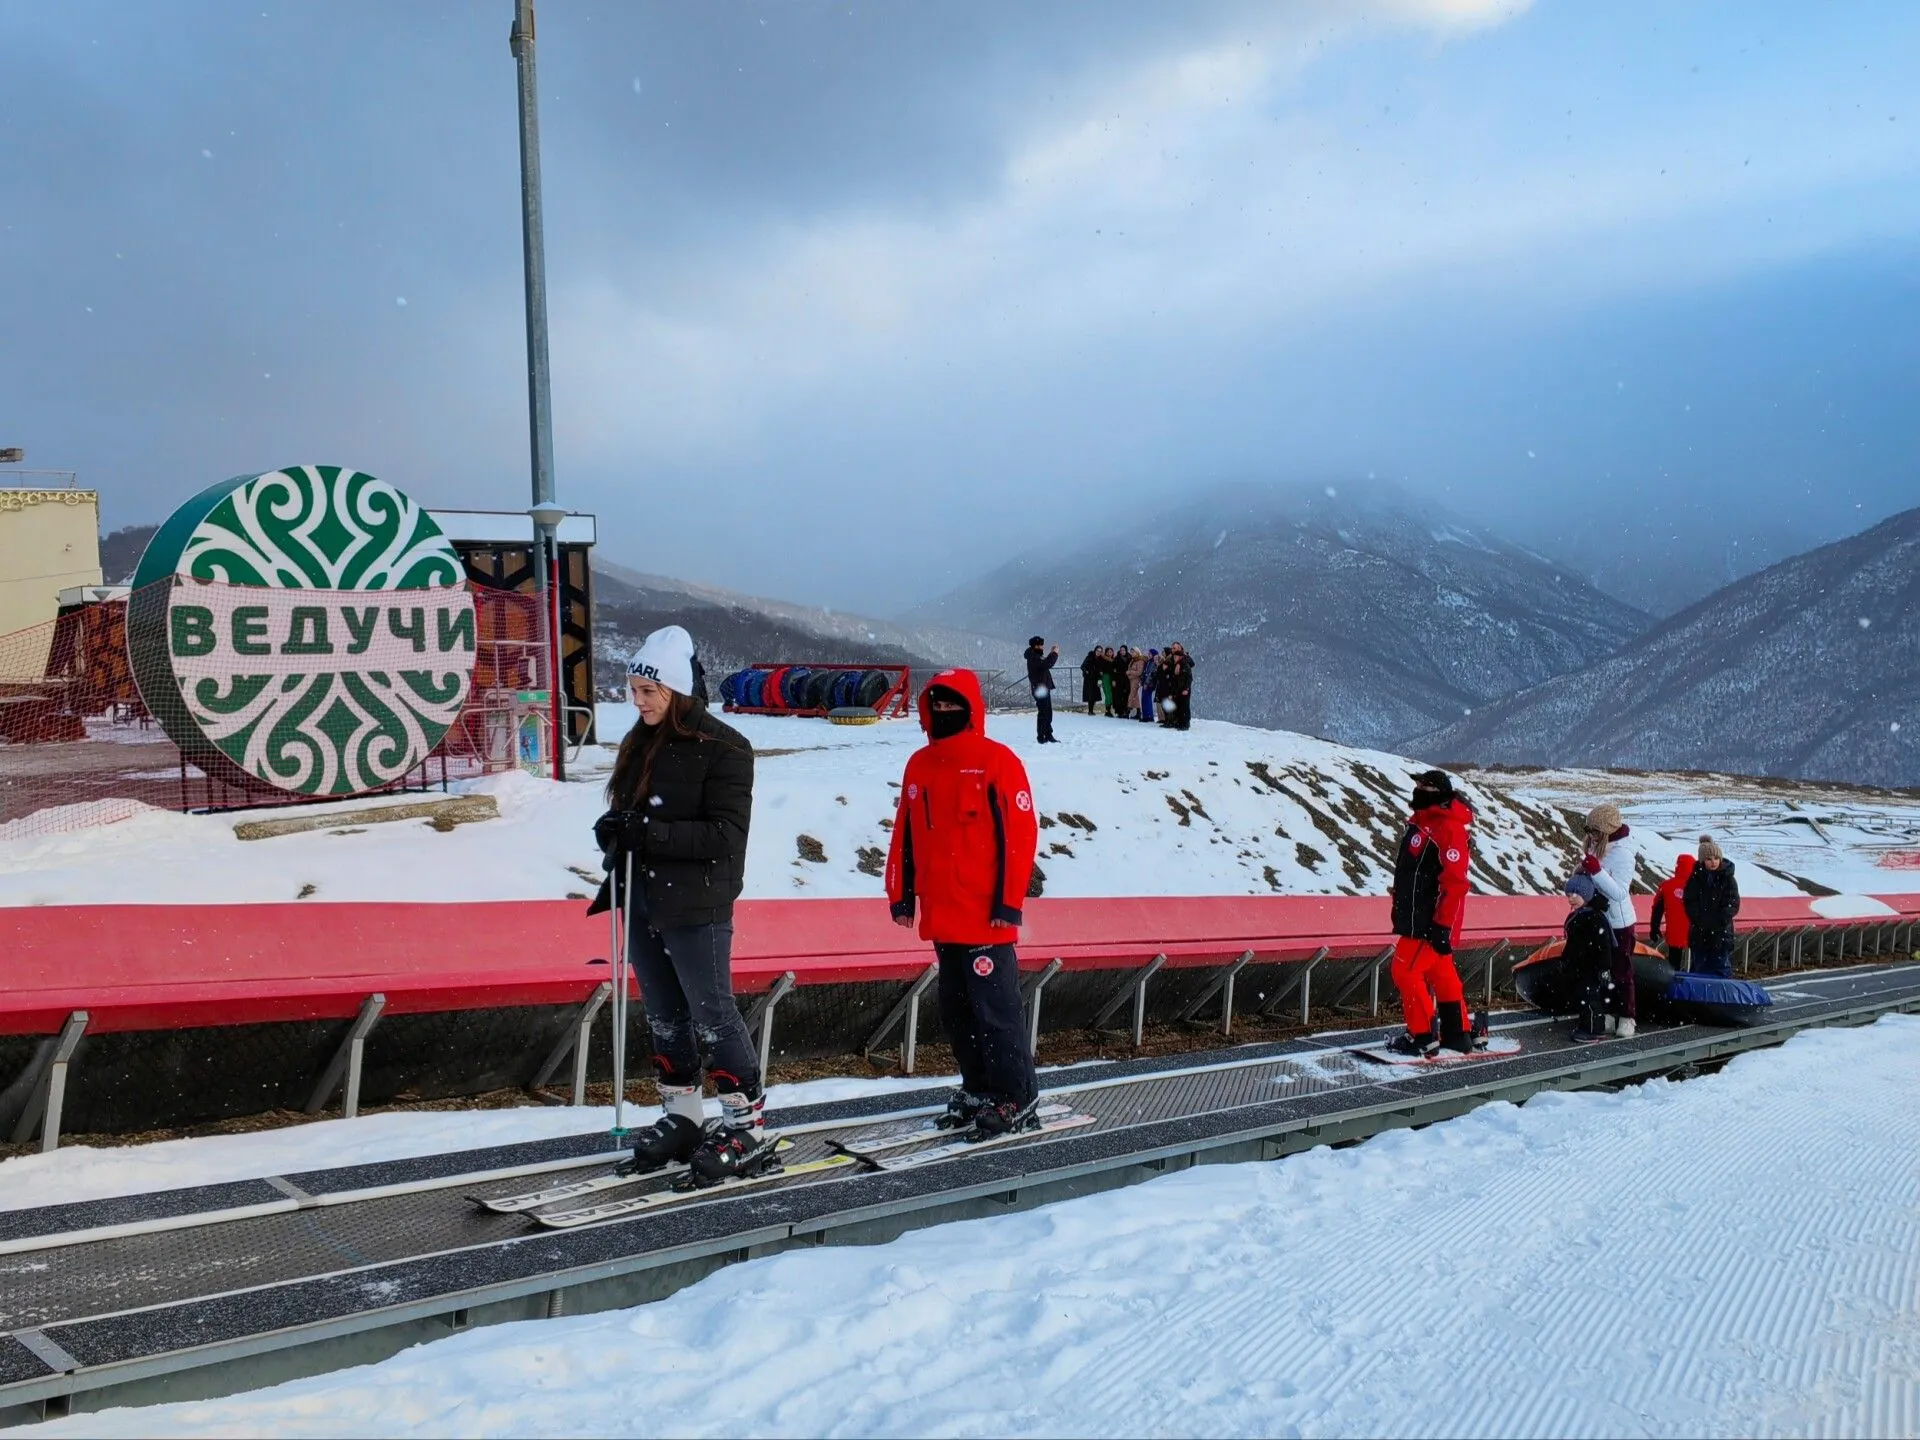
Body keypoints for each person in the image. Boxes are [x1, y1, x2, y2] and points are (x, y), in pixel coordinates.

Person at [588, 625, 766, 1185]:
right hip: (642, 895)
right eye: (634, 692)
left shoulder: (726, 747)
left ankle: (746, 1121)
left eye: (649, 693)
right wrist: (614, 831)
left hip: (698, 902)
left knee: (712, 1013)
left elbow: (725, 836)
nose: (638, 703)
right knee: (664, 1013)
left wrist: (651, 833)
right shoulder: (641, 741)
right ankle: (683, 1113)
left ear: (678, 691)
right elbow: (634, 818)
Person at [884, 669, 1043, 1135]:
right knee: (957, 1012)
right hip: (942, 914)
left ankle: (1017, 1095)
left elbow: (1020, 836)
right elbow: (906, 833)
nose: (945, 713)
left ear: (972, 708)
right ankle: (978, 1087)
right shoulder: (920, 764)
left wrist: (1009, 902)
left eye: (954, 705)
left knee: (996, 1013)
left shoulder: (998, 761)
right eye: (938, 705)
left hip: (987, 916)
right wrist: (900, 893)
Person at [1386, 769, 1483, 1056]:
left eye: (1423, 787)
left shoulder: (1447, 827)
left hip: (1428, 921)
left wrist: (1442, 924)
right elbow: (1421, 872)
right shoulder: (1425, 824)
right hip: (1420, 915)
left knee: (1405, 971)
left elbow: (1454, 882)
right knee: (1442, 974)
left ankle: (1422, 1035)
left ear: (1438, 792)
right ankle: (1458, 1033)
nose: (1417, 790)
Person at [1576, 803, 1640, 1038]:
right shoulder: (1595, 848)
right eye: (1589, 830)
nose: (1590, 835)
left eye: (1594, 831)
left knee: (1622, 971)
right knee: (1602, 971)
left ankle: (1628, 1016)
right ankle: (1609, 1014)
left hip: (1619, 922)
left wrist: (1595, 872)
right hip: (1599, 920)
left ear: (1606, 831)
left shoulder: (1623, 855)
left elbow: (1620, 892)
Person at [1562, 876, 1620, 1041]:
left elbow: (1604, 945)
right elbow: (1573, 943)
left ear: (1586, 895)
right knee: (1582, 997)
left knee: (1590, 998)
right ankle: (1585, 1026)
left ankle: (1594, 1029)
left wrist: (1604, 968)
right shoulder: (1579, 915)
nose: (1571, 897)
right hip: (1579, 966)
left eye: (1576, 893)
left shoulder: (1595, 917)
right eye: (1568, 894)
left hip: (1591, 966)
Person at [1683, 835, 1741, 977]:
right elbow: (1690, 902)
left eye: (1716, 858)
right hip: (1700, 933)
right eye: (1709, 859)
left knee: (1721, 969)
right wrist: (1701, 920)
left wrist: (1718, 920)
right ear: (1703, 861)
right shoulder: (1695, 879)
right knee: (1700, 969)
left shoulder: (1728, 879)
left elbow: (1732, 903)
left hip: (1722, 932)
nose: (1713, 862)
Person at [1648, 853, 1697, 972]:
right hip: (1695, 933)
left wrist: (1654, 928)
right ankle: (1693, 982)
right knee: (1696, 961)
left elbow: (1657, 909)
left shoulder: (1667, 886)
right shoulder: (1698, 887)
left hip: (1674, 931)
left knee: (1674, 962)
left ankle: (1674, 982)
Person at [1024, 636, 1060, 744]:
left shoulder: (1035, 655)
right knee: (1044, 712)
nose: (1042, 647)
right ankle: (1041, 736)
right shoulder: (1033, 657)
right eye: (1041, 645)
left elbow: (1044, 664)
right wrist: (1054, 653)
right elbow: (1046, 664)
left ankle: (1048, 734)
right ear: (1036, 646)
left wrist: (1051, 653)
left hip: (1043, 687)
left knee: (1047, 712)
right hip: (1040, 688)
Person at [1161, 643, 1195, 730]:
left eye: (1175, 648)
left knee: (1184, 706)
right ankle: (1177, 722)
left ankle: (1185, 723)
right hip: (1175, 686)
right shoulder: (1172, 659)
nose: (1173, 649)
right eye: (1172, 648)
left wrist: (1186, 688)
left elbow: (1189, 676)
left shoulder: (1184, 660)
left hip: (1183, 687)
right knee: (1178, 705)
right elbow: (1171, 670)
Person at [1080, 647, 1103, 715]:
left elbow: (1101, 668)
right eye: (1097, 650)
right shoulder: (1089, 657)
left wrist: (1101, 673)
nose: (1098, 652)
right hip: (1089, 679)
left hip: (1098, 678)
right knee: (1090, 694)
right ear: (1095, 650)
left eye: (1100, 651)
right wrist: (1087, 671)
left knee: (1095, 695)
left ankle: (1091, 710)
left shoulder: (1100, 659)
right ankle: (1090, 711)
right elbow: (1082, 666)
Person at [1139, 648, 1159, 722]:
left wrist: (1146, 683)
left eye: (1150, 654)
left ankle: (1149, 716)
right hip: (1145, 683)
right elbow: (1145, 672)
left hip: (1149, 684)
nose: (1149, 655)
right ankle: (1145, 715)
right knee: (1143, 699)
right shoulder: (1148, 662)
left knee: (1147, 700)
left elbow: (1151, 674)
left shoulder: (1154, 663)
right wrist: (1142, 680)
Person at [1125, 647, 1145, 720]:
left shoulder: (1140, 661)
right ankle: (1138, 713)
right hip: (1132, 680)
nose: (1132, 653)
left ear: (1137, 652)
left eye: (1133, 652)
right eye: (1131, 652)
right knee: (1135, 697)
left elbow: (1139, 672)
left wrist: (1129, 672)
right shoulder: (1133, 660)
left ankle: (1127, 712)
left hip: (1136, 681)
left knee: (1132, 696)